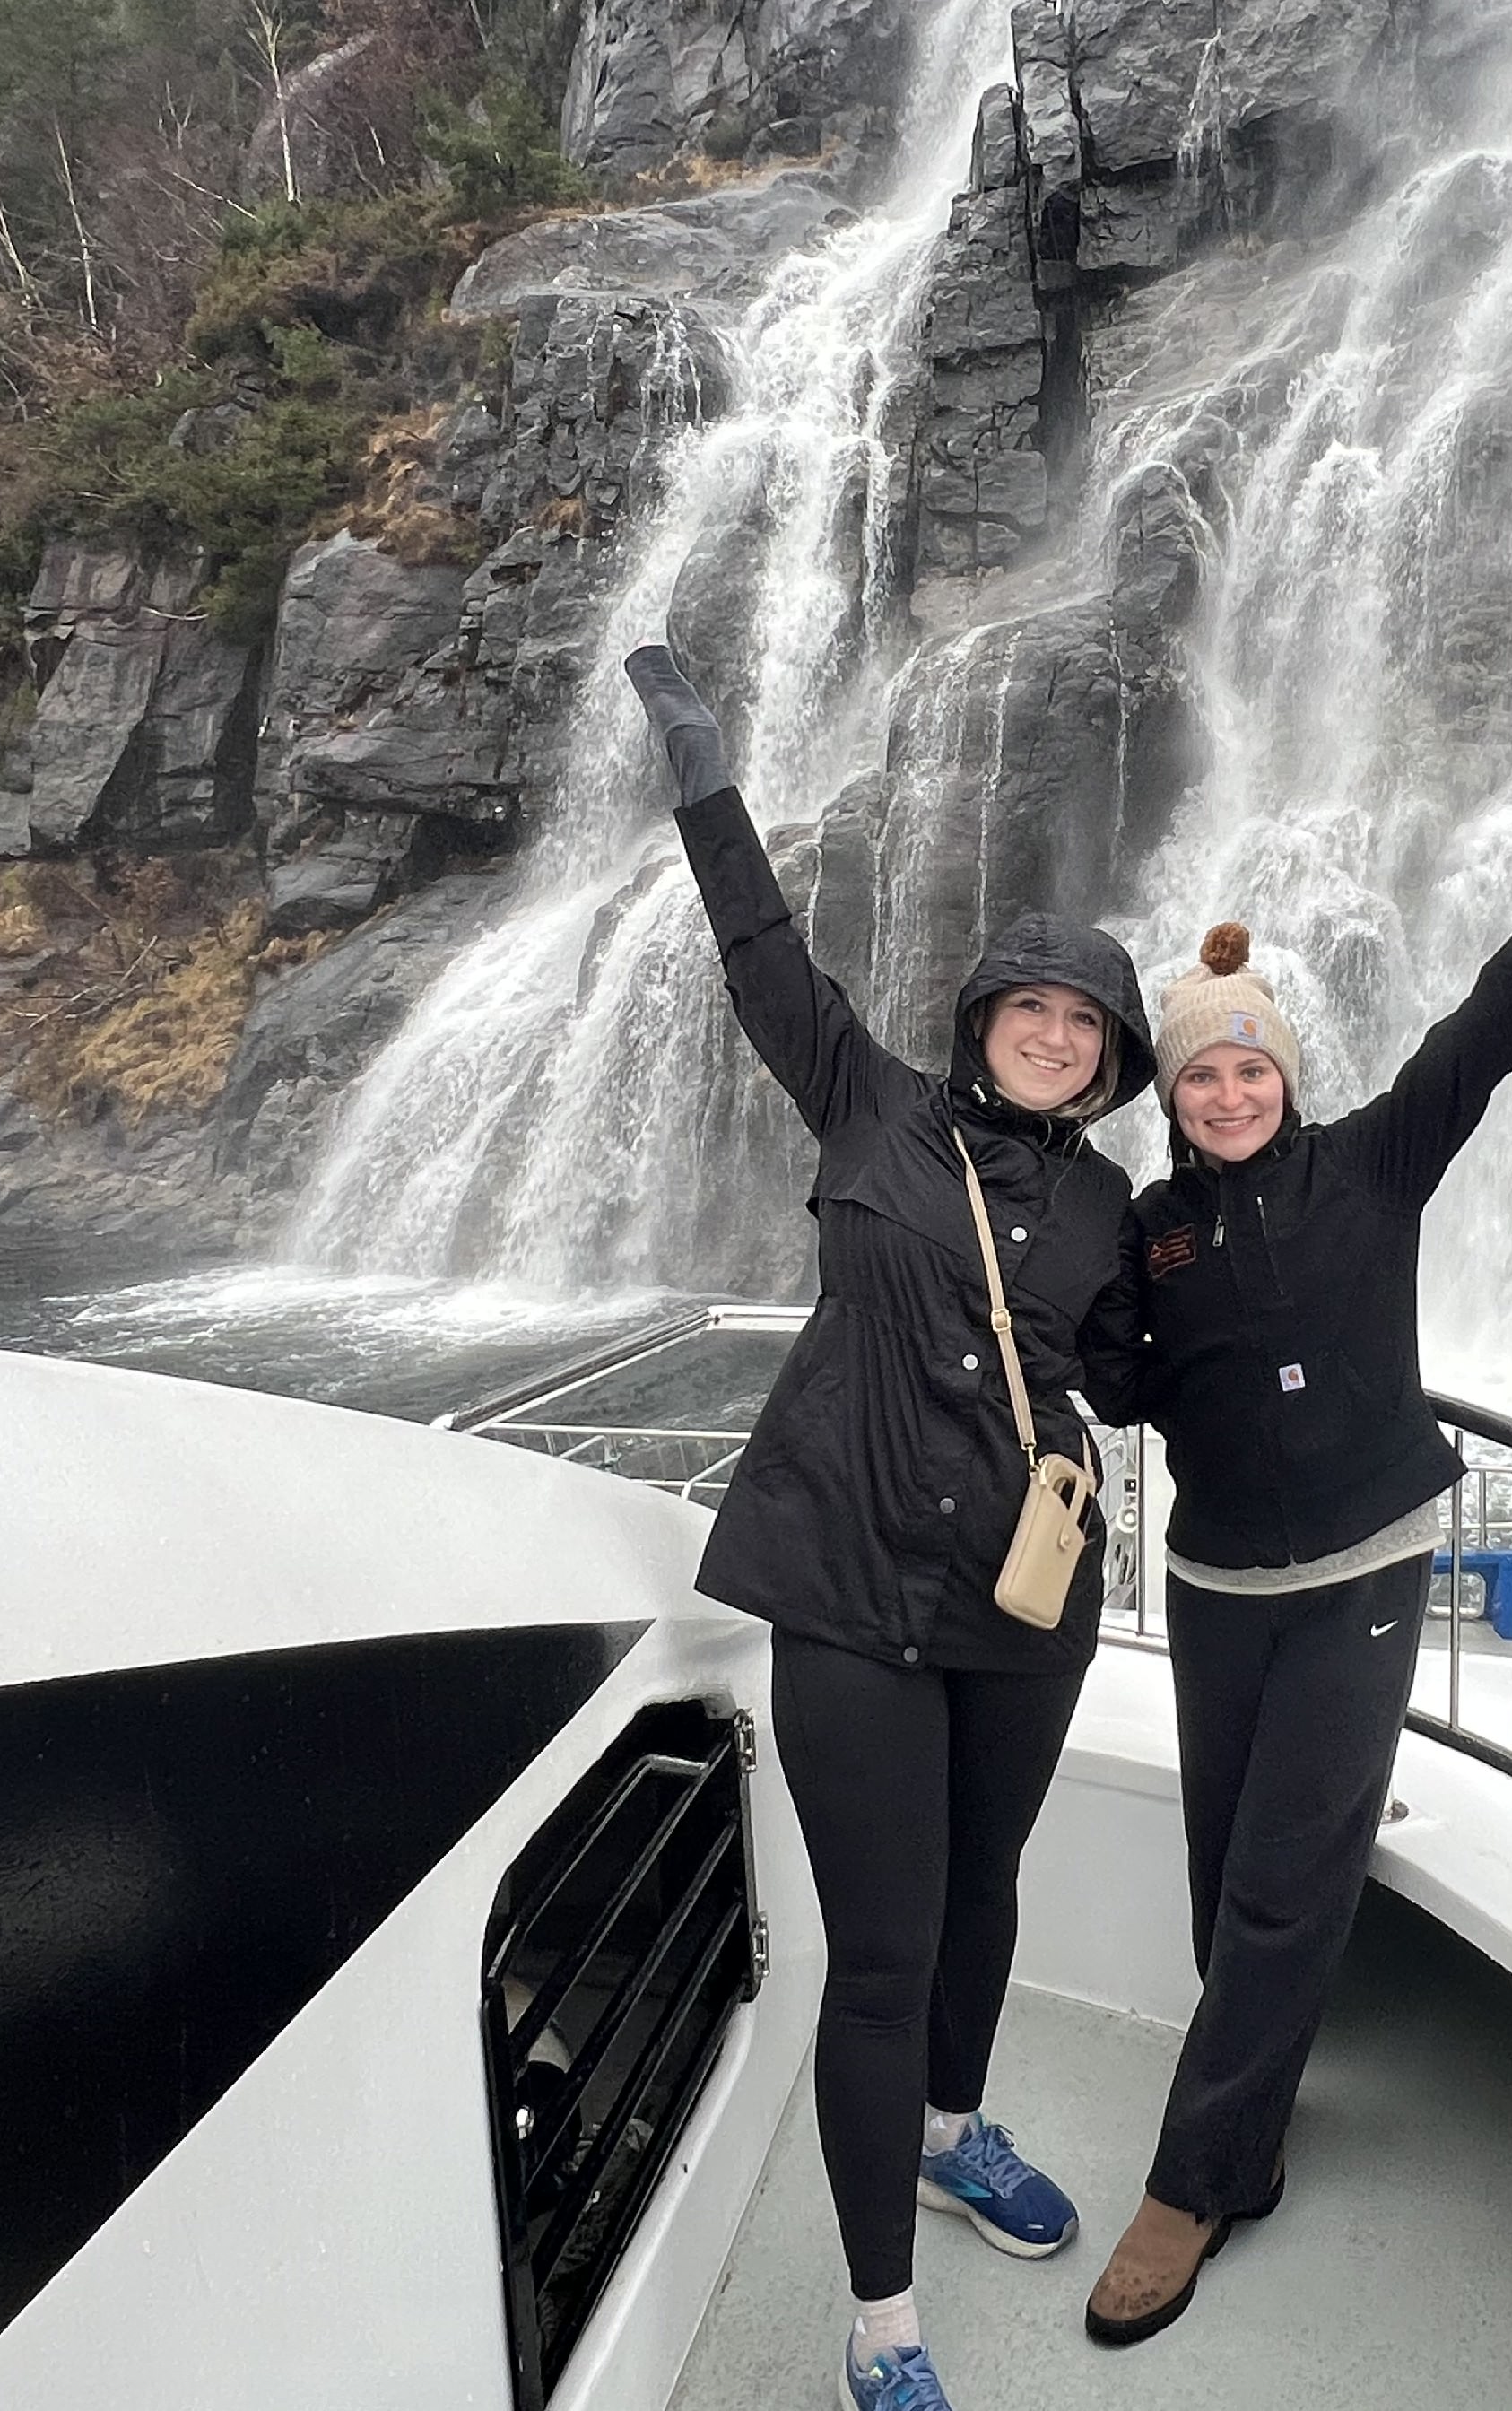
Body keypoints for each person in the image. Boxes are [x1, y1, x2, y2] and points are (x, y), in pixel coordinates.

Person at [624, 641, 1157, 2411]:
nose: (1056, 1038)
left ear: (1107, 1063)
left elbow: (1164, 1366)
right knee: (885, 1950)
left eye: (1087, 1028)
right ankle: (881, 2326)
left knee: (986, 1891)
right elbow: (763, 956)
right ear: (986, 1016)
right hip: (847, 1589)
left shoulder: (1111, 1205)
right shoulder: (864, 1102)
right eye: (1035, 1011)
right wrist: (706, 777)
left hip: (1023, 1602)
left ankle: (955, 2130)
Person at [1075, 808, 1512, 2345]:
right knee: (1227, 1871)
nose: (1226, 1091)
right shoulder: (1151, 1231)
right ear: (1174, 1098)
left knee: (1280, 1880)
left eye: (1248, 1066)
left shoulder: (1374, 1165)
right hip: (1215, 1584)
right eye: (1199, 1073)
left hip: (1368, 1570)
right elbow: (1131, 1386)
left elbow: (1488, 1033)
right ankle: (1250, 2124)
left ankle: (1193, 2184)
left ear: (1285, 1073)